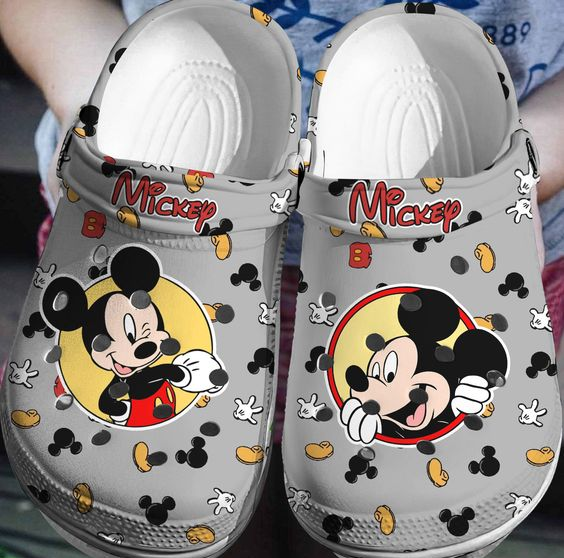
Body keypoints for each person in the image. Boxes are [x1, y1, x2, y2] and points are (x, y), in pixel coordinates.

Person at [1, 0, 563, 441]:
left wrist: (522, 166)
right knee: (191, 511)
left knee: (365, 515)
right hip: (139, 212)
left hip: (476, 240)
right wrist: (95, 108)